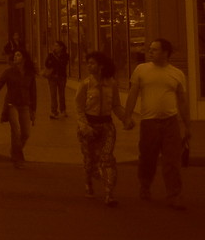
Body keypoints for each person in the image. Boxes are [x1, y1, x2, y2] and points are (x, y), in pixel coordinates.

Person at [122, 38, 191, 210]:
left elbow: (182, 101)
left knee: (172, 160)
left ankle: (174, 195)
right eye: (150, 49)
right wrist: (127, 116)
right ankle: (145, 186)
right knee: (147, 158)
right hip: (149, 122)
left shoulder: (177, 73)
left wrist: (187, 126)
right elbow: (133, 94)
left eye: (154, 49)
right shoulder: (141, 70)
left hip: (170, 122)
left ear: (165, 53)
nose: (150, 52)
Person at [75, 52, 126, 207]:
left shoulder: (112, 84)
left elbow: (116, 105)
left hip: (106, 126)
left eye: (92, 63)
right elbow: (79, 108)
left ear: (101, 65)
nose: (89, 66)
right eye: (88, 63)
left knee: (107, 158)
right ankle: (88, 182)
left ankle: (109, 193)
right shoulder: (85, 84)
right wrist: (84, 126)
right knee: (90, 160)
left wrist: (126, 119)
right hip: (89, 126)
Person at [0, 48, 38, 169]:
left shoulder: (30, 73)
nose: (15, 57)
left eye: (18, 55)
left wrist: (33, 109)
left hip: (25, 105)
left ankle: (14, 150)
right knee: (16, 130)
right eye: (14, 55)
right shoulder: (9, 72)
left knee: (26, 133)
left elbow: (33, 92)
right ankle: (18, 158)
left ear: (24, 58)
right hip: (11, 104)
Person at [44, 40, 70, 119]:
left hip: (61, 77)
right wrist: (51, 57)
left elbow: (62, 65)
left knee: (62, 95)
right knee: (53, 95)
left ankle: (63, 110)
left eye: (56, 46)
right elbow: (47, 64)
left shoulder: (65, 55)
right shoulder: (51, 55)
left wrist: (54, 60)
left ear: (61, 47)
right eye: (54, 45)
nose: (54, 47)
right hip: (52, 77)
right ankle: (54, 111)